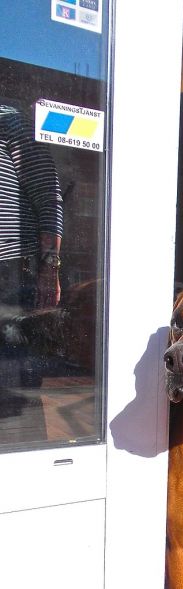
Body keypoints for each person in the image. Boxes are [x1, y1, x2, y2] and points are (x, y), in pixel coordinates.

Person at [0, 103, 64, 390]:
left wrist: (49, 268)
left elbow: (48, 197)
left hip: (10, 265)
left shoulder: (9, 119)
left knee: (14, 374)